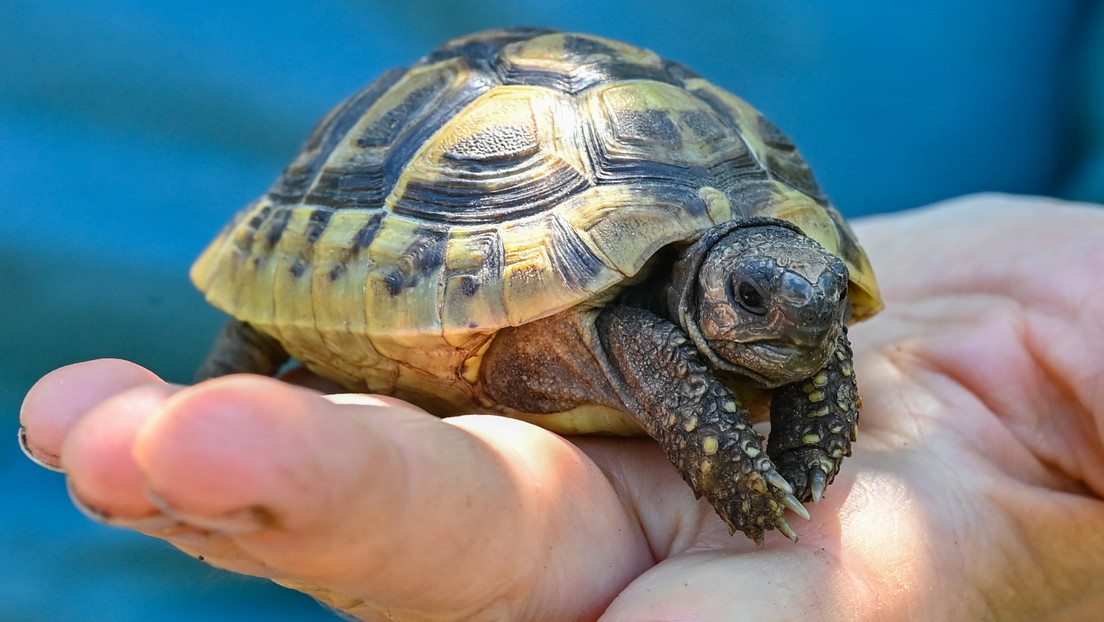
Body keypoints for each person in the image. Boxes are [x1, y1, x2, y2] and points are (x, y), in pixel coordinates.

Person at [19, 193, 1104, 621]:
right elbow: (639, 335)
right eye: (754, 300)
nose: (793, 322)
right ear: (697, 280)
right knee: (238, 391)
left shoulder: (789, 301)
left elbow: (810, 333)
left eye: (814, 301)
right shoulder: (643, 318)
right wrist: (735, 468)